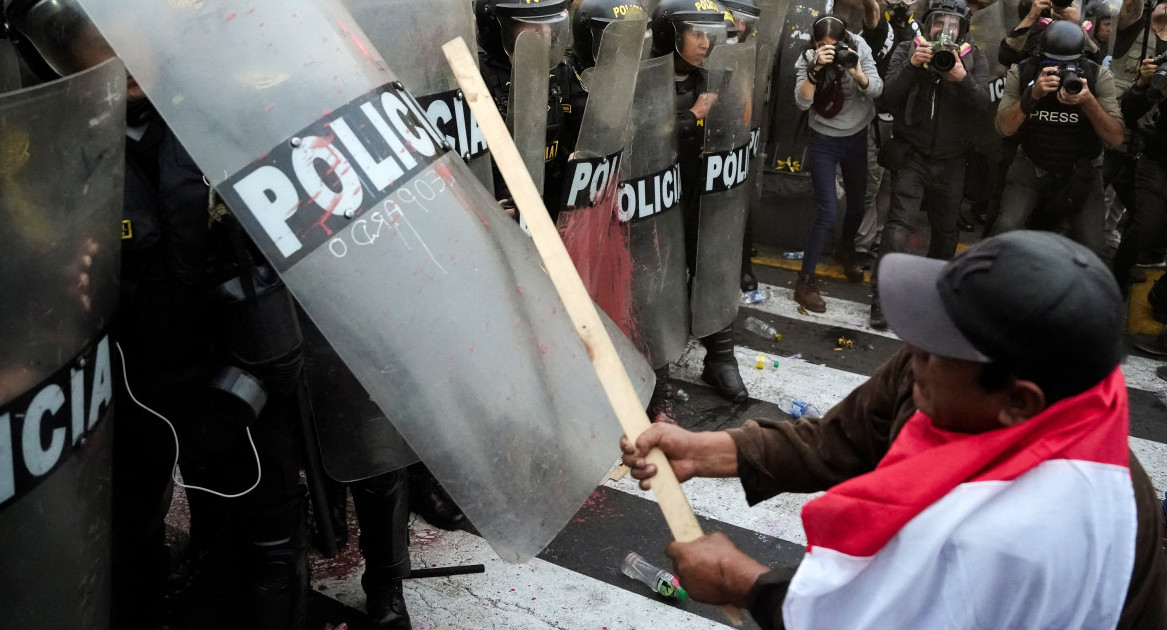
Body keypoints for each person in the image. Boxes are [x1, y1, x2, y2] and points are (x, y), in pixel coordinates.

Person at [622, 230, 1167, 630]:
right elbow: (847, 437)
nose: (912, 353)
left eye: (935, 347)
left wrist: (742, 581)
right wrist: (714, 450)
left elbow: (872, 617)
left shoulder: (1015, 535)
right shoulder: (950, 377)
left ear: (1019, 402)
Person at [8, 2, 311, 628]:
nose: (119, 58)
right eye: (95, 40)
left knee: (266, 527)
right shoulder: (49, 138)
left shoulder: (223, 109)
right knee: (129, 535)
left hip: (238, 365)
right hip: (129, 380)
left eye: (131, 38)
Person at [649, 0, 749, 404]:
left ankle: (721, 356)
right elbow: (641, 136)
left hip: (697, 192)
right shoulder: (644, 78)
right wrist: (690, 116)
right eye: (696, 33)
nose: (706, 43)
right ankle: (656, 368)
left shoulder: (714, 78)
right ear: (669, 35)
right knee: (657, 279)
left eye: (711, 33)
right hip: (654, 200)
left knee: (709, 263)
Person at [869, 0, 991, 328]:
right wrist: (911, 66)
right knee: (897, 228)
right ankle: (881, 299)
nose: (945, 31)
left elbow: (983, 106)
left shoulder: (974, 57)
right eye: (939, 23)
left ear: (963, 29)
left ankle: (934, 298)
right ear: (927, 24)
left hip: (952, 161)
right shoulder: (909, 49)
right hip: (913, 155)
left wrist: (961, 77)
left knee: (946, 232)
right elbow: (886, 99)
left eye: (953, 24)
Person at [991, 20, 1124, 255]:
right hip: (1033, 163)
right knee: (1006, 228)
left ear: (1081, 60)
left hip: (1083, 169)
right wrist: (1031, 95)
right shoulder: (1022, 72)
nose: (1062, 73)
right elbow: (1004, 128)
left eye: (1069, 66)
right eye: (1053, 66)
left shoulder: (1097, 75)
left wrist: (1089, 102)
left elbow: (1115, 138)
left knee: (1094, 247)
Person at [792, 15, 882, 313]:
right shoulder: (808, 57)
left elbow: (877, 89)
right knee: (828, 210)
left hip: (857, 135)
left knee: (858, 202)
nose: (830, 51)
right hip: (824, 140)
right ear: (815, 44)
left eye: (835, 46)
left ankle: (845, 248)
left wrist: (857, 73)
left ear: (845, 40)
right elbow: (802, 103)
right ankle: (805, 280)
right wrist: (815, 69)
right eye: (823, 46)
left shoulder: (859, 49)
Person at [475, 0, 582, 223]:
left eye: (548, 22)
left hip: (553, 203)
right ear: (497, 26)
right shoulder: (474, 78)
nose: (545, 31)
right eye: (530, 22)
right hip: (500, 211)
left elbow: (589, 127)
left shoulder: (561, 71)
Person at [855, 0, 922, 262]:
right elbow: (871, 14)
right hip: (877, 118)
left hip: (907, 121)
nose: (902, 3)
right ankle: (860, 244)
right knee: (872, 182)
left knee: (892, 185)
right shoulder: (881, 27)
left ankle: (878, 240)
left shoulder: (922, 30)